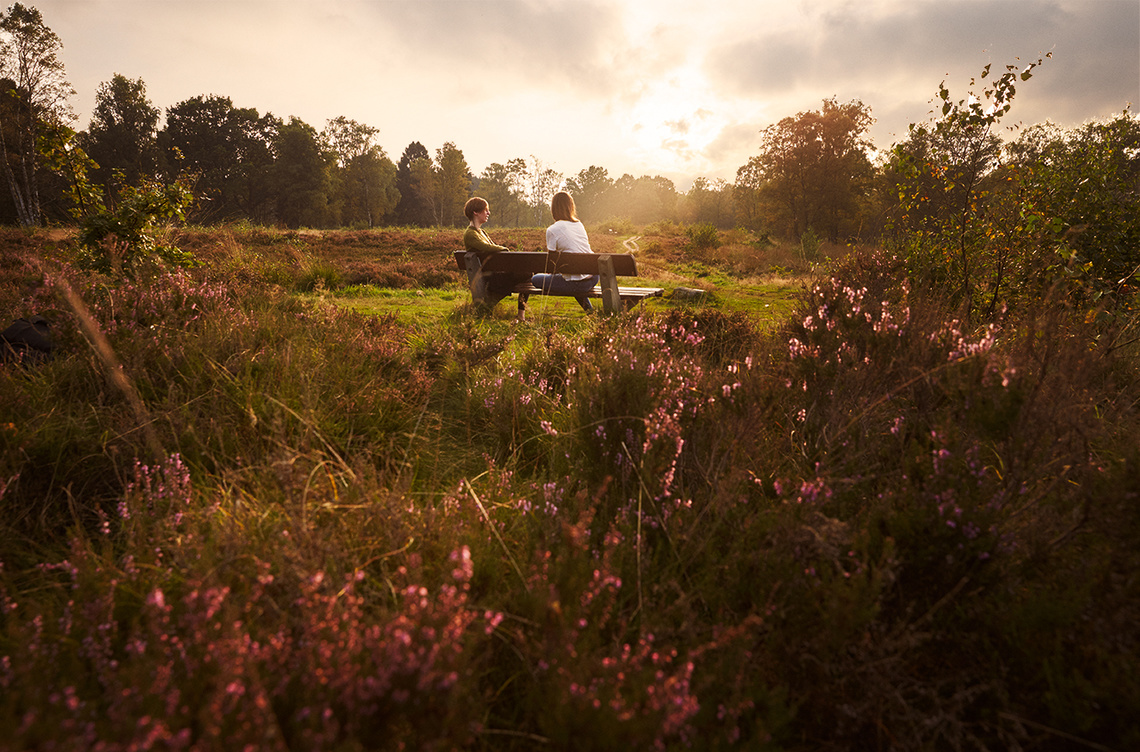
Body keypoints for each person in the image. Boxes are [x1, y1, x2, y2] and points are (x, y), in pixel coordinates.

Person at [532, 191, 598, 313]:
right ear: (571, 207)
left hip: (576, 283)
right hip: (593, 278)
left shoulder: (552, 230)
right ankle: (590, 313)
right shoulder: (579, 225)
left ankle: (590, 312)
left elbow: (551, 264)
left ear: (553, 209)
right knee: (572, 276)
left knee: (536, 279)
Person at [463, 196, 529, 316]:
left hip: (494, 274)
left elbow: (492, 248)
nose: (488, 213)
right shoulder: (471, 234)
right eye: (486, 210)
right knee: (526, 274)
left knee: (526, 273)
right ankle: (493, 304)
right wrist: (505, 249)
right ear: (476, 212)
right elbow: (488, 248)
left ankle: (493, 304)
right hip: (489, 277)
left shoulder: (481, 232)